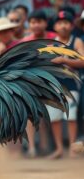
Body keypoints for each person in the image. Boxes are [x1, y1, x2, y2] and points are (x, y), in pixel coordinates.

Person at [47, 11, 84, 159]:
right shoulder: (50, 44)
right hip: (54, 86)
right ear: (55, 26)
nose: (63, 26)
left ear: (71, 25)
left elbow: (83, 61)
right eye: (60, 23)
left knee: (71, 117)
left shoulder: (76, 41)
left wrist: (65, 61)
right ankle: (59, 148)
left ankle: (72, 149)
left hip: (71, 85)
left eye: (66, 22)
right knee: (54, 118)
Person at [21, 9, 56, 158]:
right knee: (31, 115)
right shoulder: (25, 42)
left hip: (51, 82)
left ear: (45, 23)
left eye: (39, 22)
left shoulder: (54, 38)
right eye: (33, 22)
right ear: (29, 24)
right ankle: (32, 148)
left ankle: (44, 145)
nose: (35, 25)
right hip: (30, 82)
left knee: (46, 115)